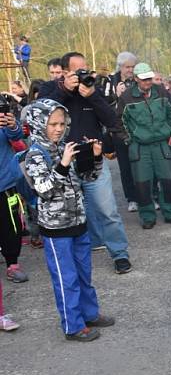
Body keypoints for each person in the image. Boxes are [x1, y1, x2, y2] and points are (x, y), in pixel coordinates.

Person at [23, 99, 115, 341]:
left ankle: (89, 313)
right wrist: (63, 164)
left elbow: (87, 177)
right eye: (52, 123)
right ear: (38, 123)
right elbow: (43, 189)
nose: (58, 128)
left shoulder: (65, 146)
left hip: (78, 222)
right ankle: (73, 326)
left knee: (84, 274)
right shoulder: (34, 154)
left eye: (62, 123)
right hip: (56, 229)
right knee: (67, 279)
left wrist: (95, 157)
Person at [40, 51, 133, 275]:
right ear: (64, 72)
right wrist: (64, 90)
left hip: (93, 159)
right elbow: (42, 117)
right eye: (77, 70)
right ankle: (83, 252)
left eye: (85, 68)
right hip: (63, 162)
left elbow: (111, 120)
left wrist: (92, 96)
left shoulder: (94, 89)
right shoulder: (50, 90)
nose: (82, 73)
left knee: (107, 209)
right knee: (72, 213)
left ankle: (119, 253)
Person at [117, 63, 171, 229]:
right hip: (140, 147)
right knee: (142, 183)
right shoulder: (126, 97)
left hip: (162, 144)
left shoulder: (161, 91)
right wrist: (129, 140)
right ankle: (147, 216)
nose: (148, 82)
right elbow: (118, 123)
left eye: (149, 78)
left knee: (168, 180)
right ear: (136, 79)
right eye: (144, 79)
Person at [0, 104, 28, 284]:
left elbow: (17, 135)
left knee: (12, 225)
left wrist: (11, 125)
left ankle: (12, 264)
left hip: (5, 182)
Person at [109, 51, 139, 212]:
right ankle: (131, 198)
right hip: (119, 131)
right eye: (127, 67)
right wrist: (116, 95)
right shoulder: (109, 82)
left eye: (133, 66)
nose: (130, 70)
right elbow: (103, 106)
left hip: (139, 130)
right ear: (120, 67)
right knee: (126, 166)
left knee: (142, 164)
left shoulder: (138, 80)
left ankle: (146, 196)